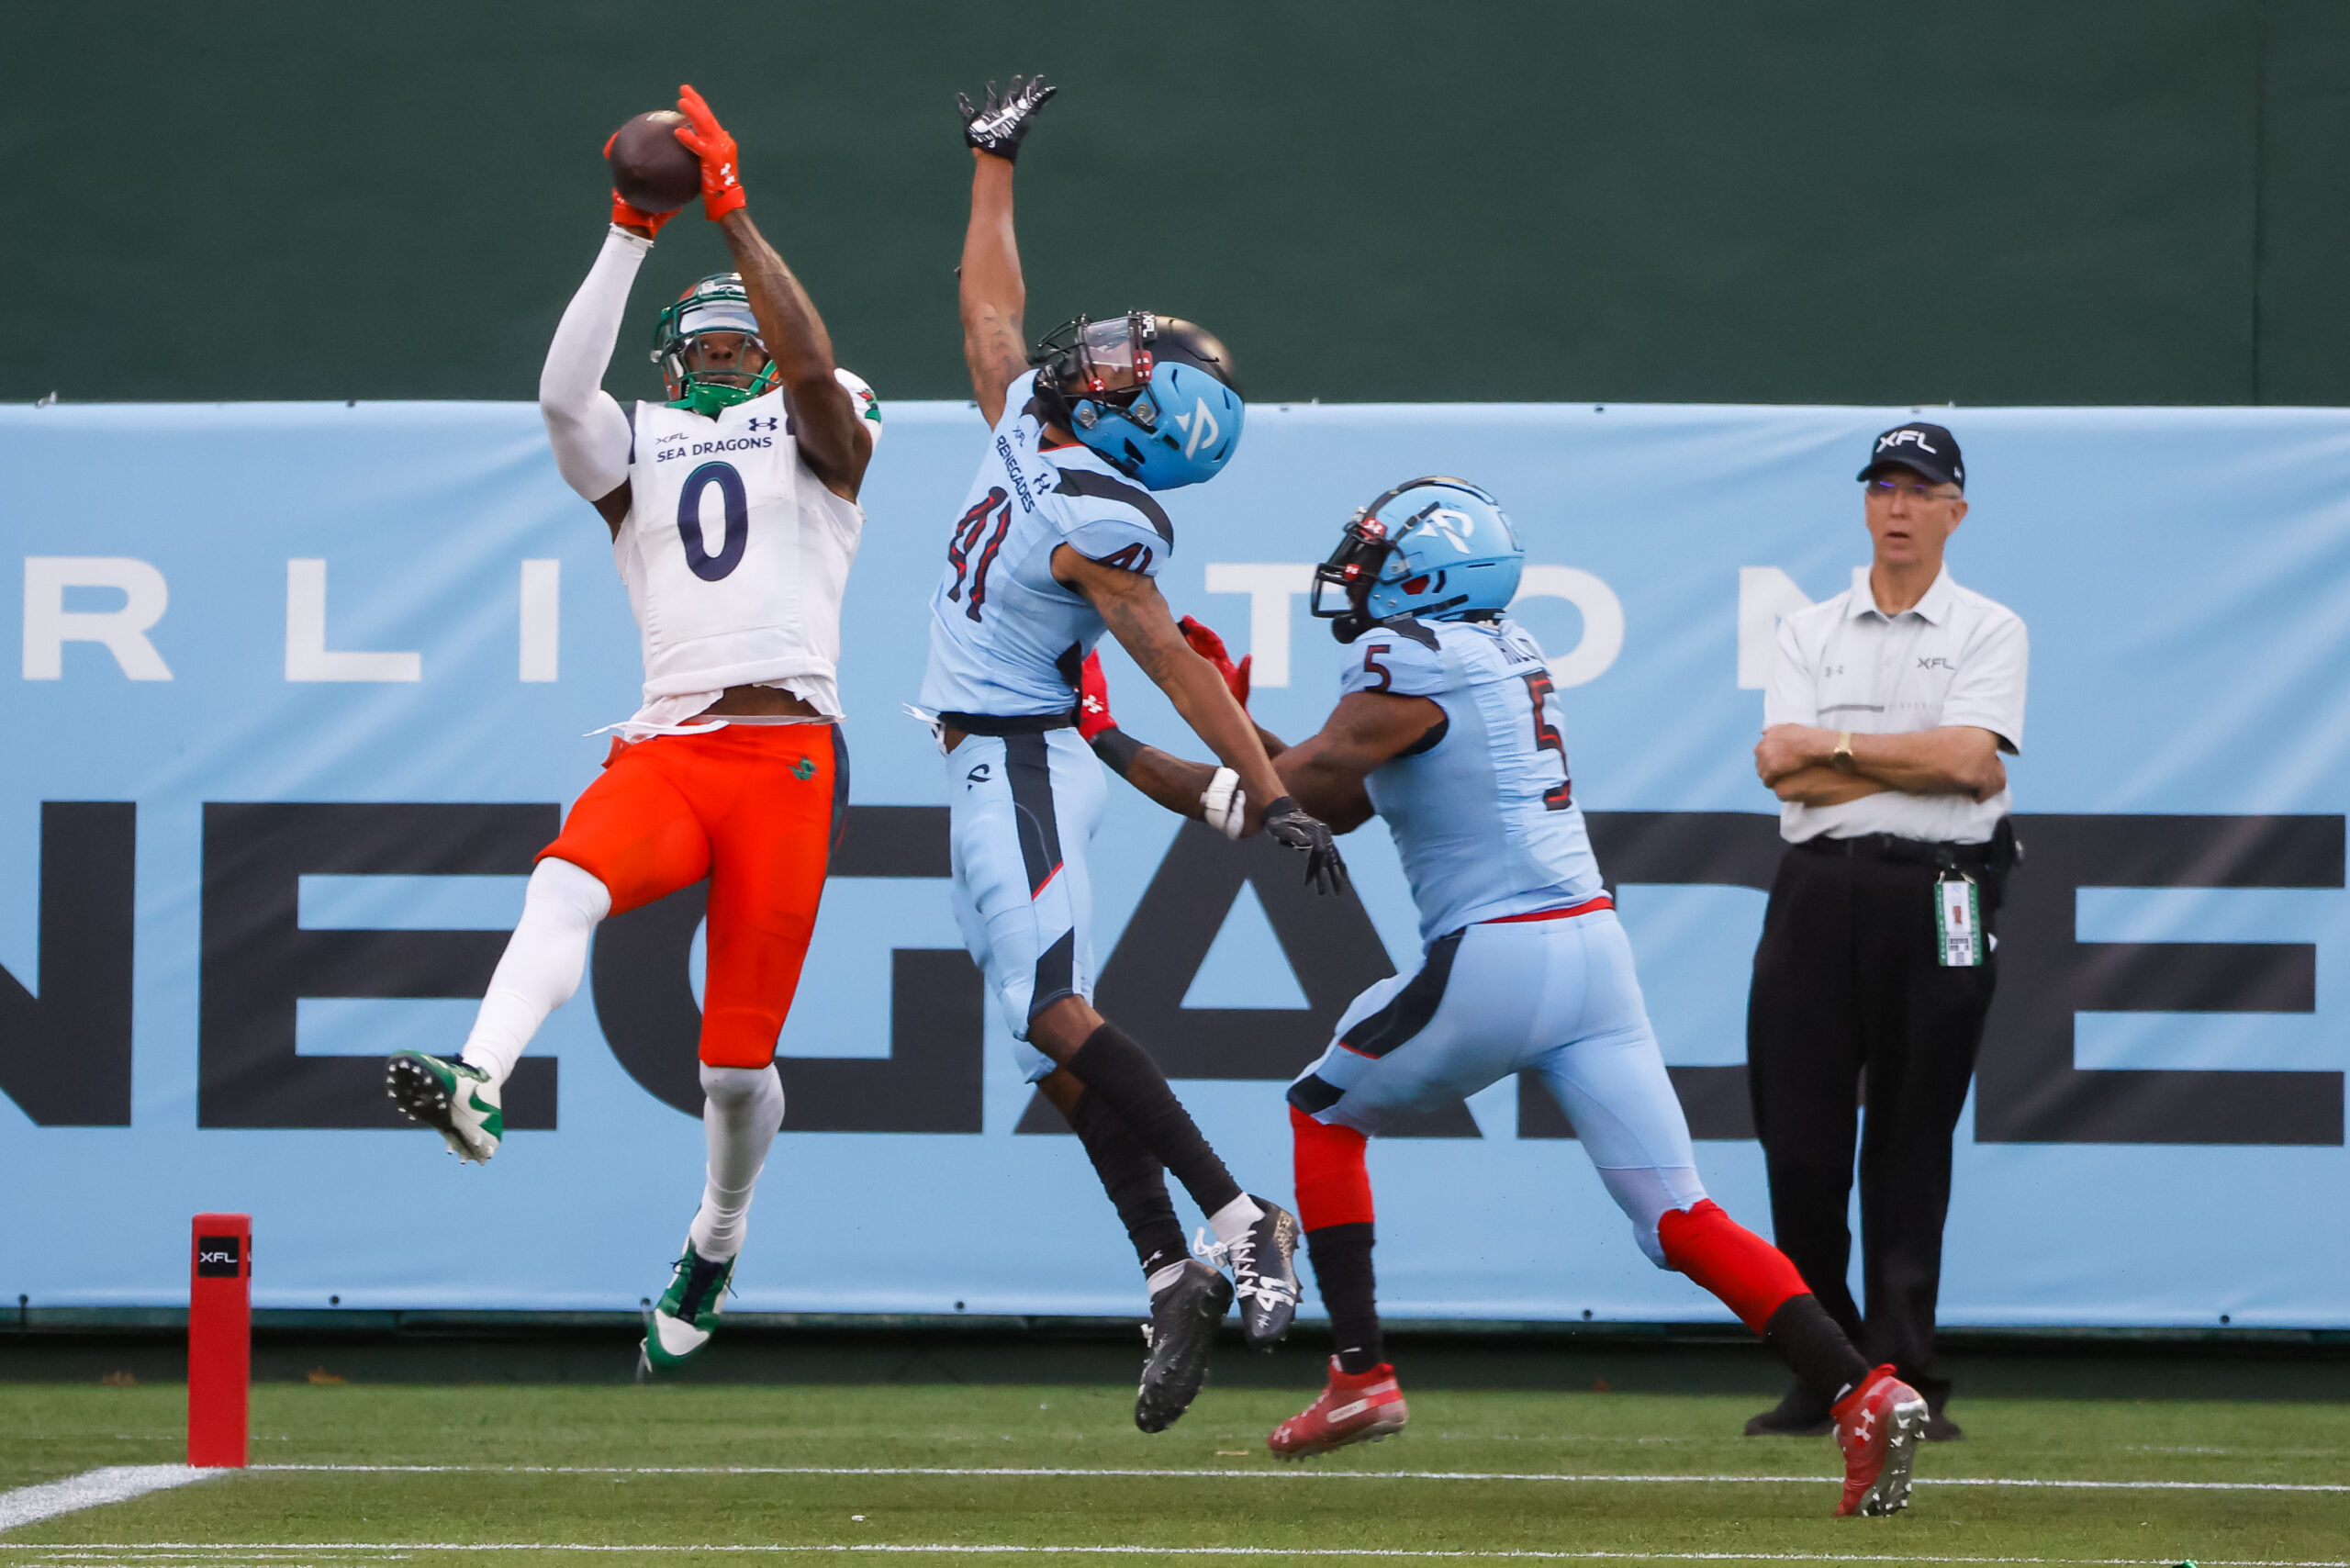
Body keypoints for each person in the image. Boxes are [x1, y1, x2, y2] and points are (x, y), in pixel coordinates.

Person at [1082, 476, 1930, 1518]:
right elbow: (1333, 798)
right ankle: (1861, 1387)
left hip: (1499, 953)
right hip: (1591, 955)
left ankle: (1361, 1374)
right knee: (1679, 1215)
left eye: (1378, 555)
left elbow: (1272, 803)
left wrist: (1103, 735)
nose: (1356, 571)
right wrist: (1238, 721)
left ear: (1431, 576)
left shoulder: (1406, 658)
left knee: (1321, 1110)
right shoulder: (1497, 651)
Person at [385, 86, 883, 1377]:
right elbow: (563, 396)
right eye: (699, 345)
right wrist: (628, 229)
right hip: (671, 743)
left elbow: (814, 378)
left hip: (786, 755)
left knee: (732, 1072)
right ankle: (480, 1076)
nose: (719, 358)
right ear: (669, 363)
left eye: (737, 342)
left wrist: (734, 217)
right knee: (565, 880)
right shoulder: (639, 446)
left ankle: (716, 1236)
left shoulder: (820, 419)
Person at [921, 74, 1344, 1434]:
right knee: (1048, 1051)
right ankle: (1170, 1273)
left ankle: (1240, 1214)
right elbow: (990, 312)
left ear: (1141, 426)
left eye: (1123, 374)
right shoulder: (1031, 425)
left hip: (1026, 766)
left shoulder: (1104, 513)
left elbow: (1170, 660)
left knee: (1056, 1014)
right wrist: (993, 162)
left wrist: (1269, 792)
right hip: (984, 761)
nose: (1095, 361)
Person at [1746, 421, 2026, 1442]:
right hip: (1818, 888)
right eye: (1883, 487)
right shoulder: (1807, 629)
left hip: (1942, 889)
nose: (1898, 507)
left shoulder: (1989, 628)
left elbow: (1971, 763)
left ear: (1956, 510)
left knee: (1912, 1136)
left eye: (1919, 489)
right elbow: (1783, 771)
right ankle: (1825, 1370)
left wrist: (1836, 746)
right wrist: (1909, 757)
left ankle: (1902, 1370)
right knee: (1799, 1141)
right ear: (1865, 504)